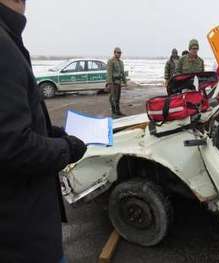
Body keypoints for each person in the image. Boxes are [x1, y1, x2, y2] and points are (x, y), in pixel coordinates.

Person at [0, 1, 87, 262]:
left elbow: (16, 122)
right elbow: (12, 145)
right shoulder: (2, 44)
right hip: (21, 234)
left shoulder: (8, 36)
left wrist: (53, 133)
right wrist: (67, 148)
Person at [107, 47, 127, 118]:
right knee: (112, 98)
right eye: (118, 52)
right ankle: (113, 113)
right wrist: (109, 84)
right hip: (113, 82)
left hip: (119, 82)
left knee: (118, 98)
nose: (119, 54)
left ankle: (118, 111)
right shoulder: (111, 61)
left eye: (120, 53)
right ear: (114, 52)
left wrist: (125, 82)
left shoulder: (121, 62)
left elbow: (122, 73)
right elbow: (109, 73)